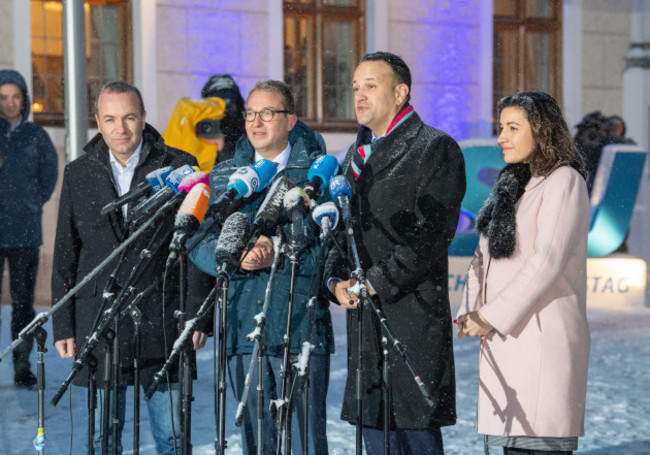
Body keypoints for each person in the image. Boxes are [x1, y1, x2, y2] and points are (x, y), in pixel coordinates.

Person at [325, 51, 466, 455]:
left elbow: (430, 236)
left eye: (371, 85)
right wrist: (334, 281)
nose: (359, 95)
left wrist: (372, 282)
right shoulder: (355, 156)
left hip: (410, 318)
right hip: (365, 324)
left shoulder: (435, 148)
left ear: (400, 92)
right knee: (377, 436)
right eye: (355, 87)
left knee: (414, 436)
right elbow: (342, 230)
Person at [51, 81, 199, 454]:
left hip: (163, 317)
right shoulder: (78, 173)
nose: (121, 128)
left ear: (144, 117)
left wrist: (198, 314)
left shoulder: (179, 167)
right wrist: (63, 324)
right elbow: (66, 251)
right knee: (103, 439)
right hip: (100, 321)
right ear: (98, 123)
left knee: (173, 438)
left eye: (129, 117)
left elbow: (196, 246)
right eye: (111, 119)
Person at [189, 80, 334, 455]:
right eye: (251, 113)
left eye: (267, 113)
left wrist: (281, 253)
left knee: (305, 445)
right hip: (241, 330)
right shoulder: (225, 176)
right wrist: (231, 255)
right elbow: (197, 241)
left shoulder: (317, 178)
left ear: (290, 120)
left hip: (300, 329)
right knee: (257, 445)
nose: (256, 122)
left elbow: (333, 252)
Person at [456, 91, 590, 455]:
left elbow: (547, 261)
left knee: (537, 446)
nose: (502, 137)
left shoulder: (564, 181)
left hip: (542, 338)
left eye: (513, 128)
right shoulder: (513, 184)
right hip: (507, 339)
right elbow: (483, 255)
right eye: (501, 128)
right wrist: (470, 311)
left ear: (542, 130)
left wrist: (489, 315)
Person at [0, 69, 58, 387]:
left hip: (24, 232)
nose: (10, 104)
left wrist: (32, 201)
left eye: (16, 97)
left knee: (23, 304)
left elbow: (49, 174)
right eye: (3, 97)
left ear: (24, 99)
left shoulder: (36, 136)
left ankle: (22, 367)